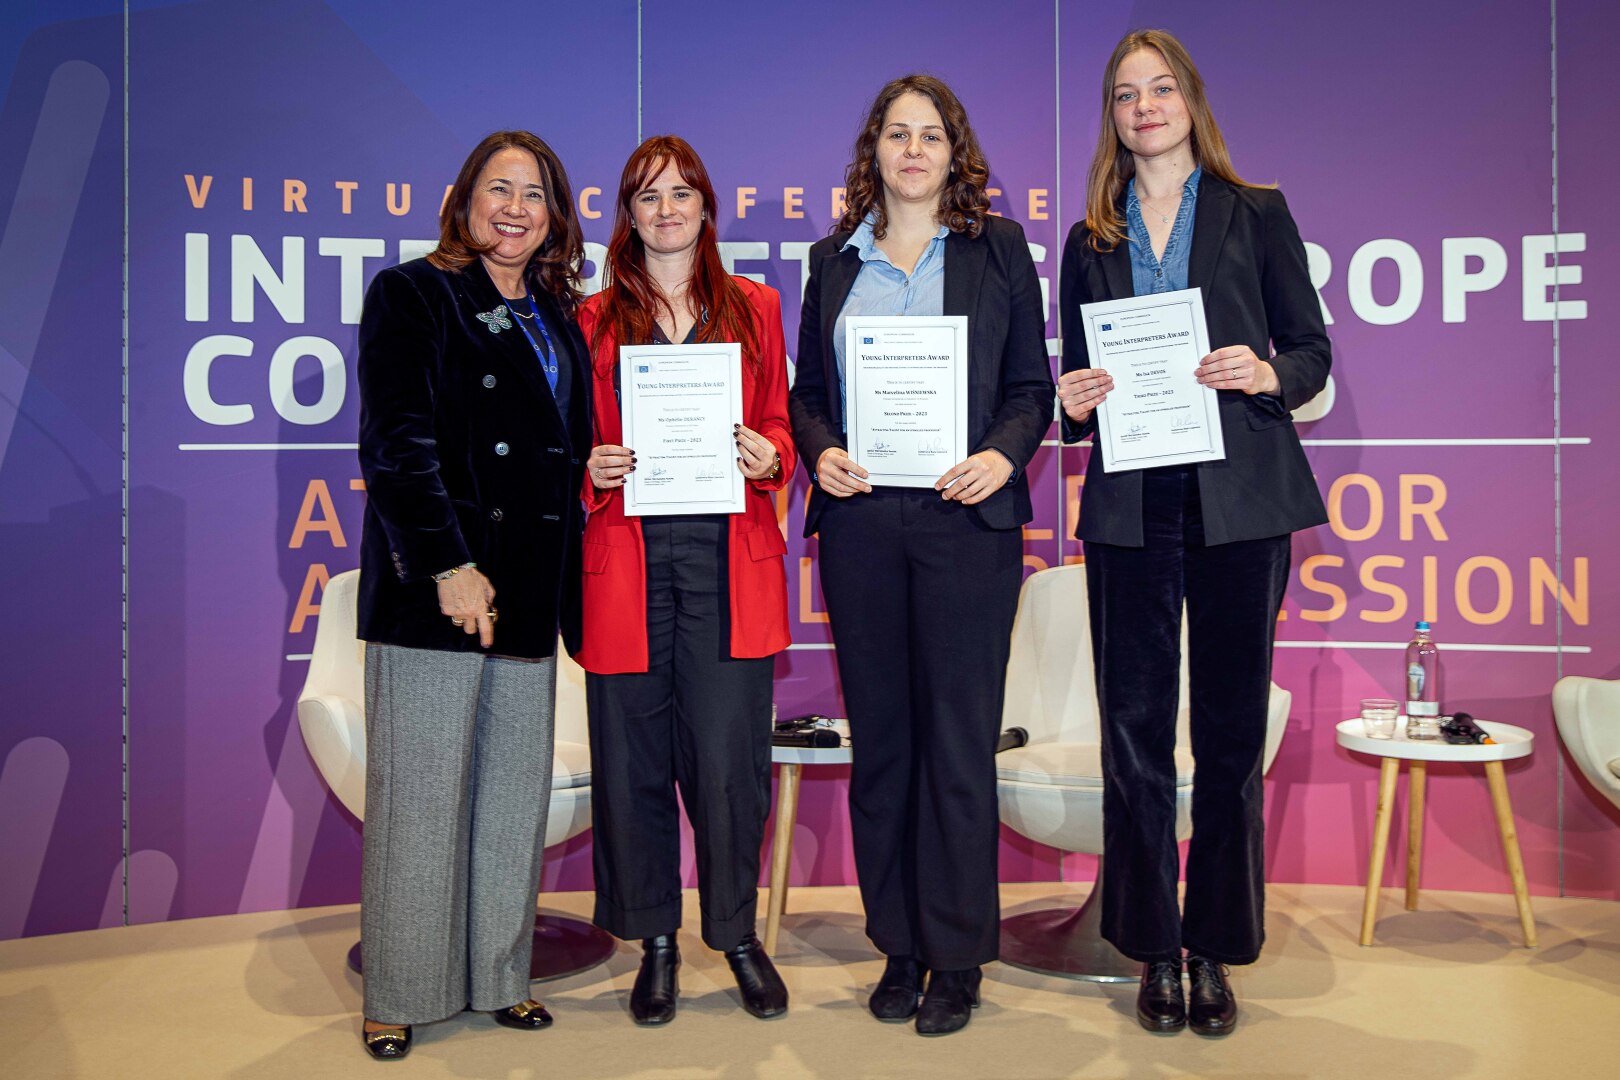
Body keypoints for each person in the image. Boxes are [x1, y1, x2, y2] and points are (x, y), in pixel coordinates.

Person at [1057, 29, 1331, 1038]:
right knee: (1133, 736)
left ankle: (1213, 946)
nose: (1145, 106)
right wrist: (1073, 402)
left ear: (1190, 101)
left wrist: (1264, 373)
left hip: (1240, 498)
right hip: (1132, 499)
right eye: (1126, 94)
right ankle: (1152, 948)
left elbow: (1310, 350)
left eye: (1160, 88)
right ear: (1113, 116)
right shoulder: (1090, 236)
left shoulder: (1256, 211)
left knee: (1227, 732)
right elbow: (1071, 381)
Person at [789, 75, 1054, 1037]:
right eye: (897, 134)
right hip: (862, 525)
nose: (912, 151)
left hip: (964, 521)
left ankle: (958, 956)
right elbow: (807, 393)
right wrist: (820, 450)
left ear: (954, 152)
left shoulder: (998, 248)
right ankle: (898, 947)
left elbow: (1031, 386)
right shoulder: (833, 260)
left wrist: (1001, 456)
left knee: (956, 746)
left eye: (930, 135)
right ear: (875, 149)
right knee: (885, 746)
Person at [354, 130, 591, 1059]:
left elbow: (554, 446)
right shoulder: (414, 292)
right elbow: (396, 446)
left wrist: (593, 468)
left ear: (554, 216)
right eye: (500, 188)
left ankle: (499, 977)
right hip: (438, 591)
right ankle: (401, 992)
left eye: (535, 194)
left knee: (508, 802)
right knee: (419, 801)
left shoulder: (557, 314)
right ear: (464, 200)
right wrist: (449, 566)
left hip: (528, 588)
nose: (516, 209)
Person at [574, 135, 796, 1025]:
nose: (666, 210)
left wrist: (770, 455)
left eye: (682, 193)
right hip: (624, 557)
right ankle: (655, 942)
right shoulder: (589, 318)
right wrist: (587, 469)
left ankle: (736, 936)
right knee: (632, 761)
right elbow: (567, 443)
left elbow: (780, 422)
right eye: (648, 196)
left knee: (729, 762)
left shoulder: (757, 307)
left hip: (727, 556)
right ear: (627, 215)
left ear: (707, 207)